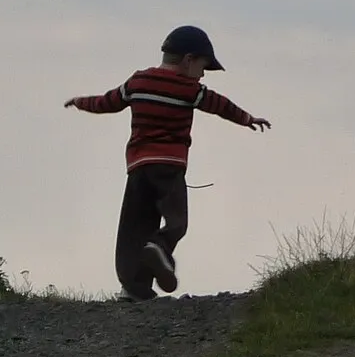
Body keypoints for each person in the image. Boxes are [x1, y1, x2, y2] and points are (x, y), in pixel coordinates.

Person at [65, 25, 271, 300]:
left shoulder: (137, 82)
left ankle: (133, 287)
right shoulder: (190, 89)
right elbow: (220, 105)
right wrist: (247, 119)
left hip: (138, 168)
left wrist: (80, 102)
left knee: (133, 227)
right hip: (170, 166)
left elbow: (107, 102)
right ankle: (160, 247)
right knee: (176, 220)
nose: (202, 74)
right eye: (203, 67)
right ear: (188, 60)